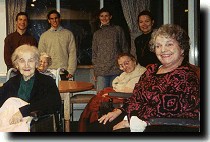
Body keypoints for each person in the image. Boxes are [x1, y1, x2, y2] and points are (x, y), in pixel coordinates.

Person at [89, 24, 200, 132]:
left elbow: (168, 109)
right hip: (138, 117)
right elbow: (136, 96)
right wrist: (119, 110)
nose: (163, 50)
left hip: (161, 125)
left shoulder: (186, 76)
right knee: (96, 126)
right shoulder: (152, 70)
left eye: (169, 44)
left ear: (182, 48)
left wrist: (131, 121)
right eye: (158, 46)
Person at [78, 53, 146, 132]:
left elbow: (127, 91)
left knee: (97, 102)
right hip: (118, 94)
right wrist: (118, 87)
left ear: (134, 61)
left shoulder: (141, 73)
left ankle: (88, 125)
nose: (124, 67)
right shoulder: (126, 73)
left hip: (126, 99)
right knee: (96, 99)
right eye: (122, 65)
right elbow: (115, 83)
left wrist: (117, 87)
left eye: (126, 63)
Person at [0, 44, 61, 132]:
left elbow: (54, 103)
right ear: (17, 65)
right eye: (22, 61)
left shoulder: (47, 81)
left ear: (36, 63)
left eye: (30, 61)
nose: (26, 65)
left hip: (36, 125)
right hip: (11, 124)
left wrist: (23, 112)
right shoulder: (12, 82)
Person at [92, 7, 129, 92]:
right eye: (102, 16)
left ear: (110, 17)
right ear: (99, 17)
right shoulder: (96, 34)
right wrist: (96, 70)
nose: (104, 18)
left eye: (106, 16)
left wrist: (125, 66)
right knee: (101, 98)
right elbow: (94, 54)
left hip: (116, 70)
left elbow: (125, 49)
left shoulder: (118, 30)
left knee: (116, 97)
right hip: (101, 72)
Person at [38, 10, 77, 80]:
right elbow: (41, 55)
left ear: (59, 19)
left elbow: (72, 53)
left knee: (65, 91)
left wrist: (71, 70)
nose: (54, 20)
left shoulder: (68, 34)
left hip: (64, 72)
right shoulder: (44, 36)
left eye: (56, 18)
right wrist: (42, 69)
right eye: (52, 19)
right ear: (49, 21)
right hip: (48, 73)